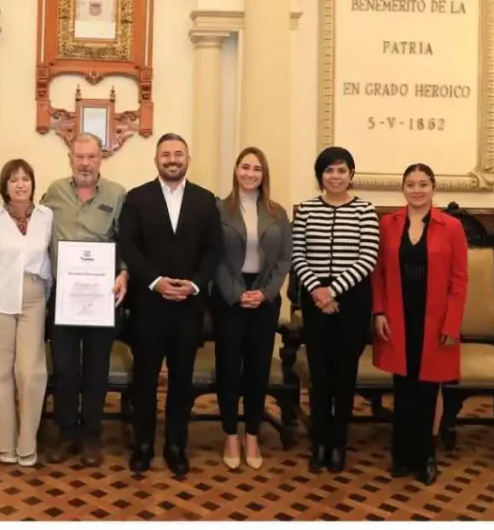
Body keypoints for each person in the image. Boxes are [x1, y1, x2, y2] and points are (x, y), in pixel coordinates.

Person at [119, 133, 222, 476]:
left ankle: (177, 445)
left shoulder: (206, 201)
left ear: (187, 159)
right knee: (145, 381)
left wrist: (193, 284)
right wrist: (155, 282)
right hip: (149, 306)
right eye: (166, 155)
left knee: (182, 381)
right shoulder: (137, 198)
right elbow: (128, 246)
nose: (172, 160)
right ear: (156, 160)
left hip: (188, 307)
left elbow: (213, 250)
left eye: (179, 154)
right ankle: (144, 445)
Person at [372, 163, 468, 486]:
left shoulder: (451, 226)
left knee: (428, 389)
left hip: (435, 320)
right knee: (403, 388)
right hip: (398, 318)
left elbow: (460, 281)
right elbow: (378, 275)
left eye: (423, 184)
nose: (416, 189)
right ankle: (401, 456)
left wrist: (452, 325)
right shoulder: (388, 223)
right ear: (403, 189)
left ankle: (426, 455)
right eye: (410, 184)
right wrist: (379, 312)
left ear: (433, 188)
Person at [40, 133, 129, 466]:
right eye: (79, 157)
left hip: (101, 301)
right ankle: (65, 434)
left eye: (91, 156)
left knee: (95, 370)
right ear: (70, 159)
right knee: (64, 371)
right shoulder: (54, 193)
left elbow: (127, 241)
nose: (85, 163)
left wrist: (124, 273)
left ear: (100, 158)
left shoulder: (117, 194)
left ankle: (91, 436)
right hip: (62, 300)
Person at [291, 146, 379, 474]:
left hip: (351, 300)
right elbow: (297, 254)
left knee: (344, 376)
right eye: (329, 171)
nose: (336, 176)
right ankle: (319, 444)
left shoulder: (365, 210)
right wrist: (316, 289)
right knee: (320, 376)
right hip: (315, 301)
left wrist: (333, 290)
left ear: (351, 175)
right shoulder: (308, 210)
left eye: (342, 170)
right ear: (320, 176)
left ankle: (338, 443)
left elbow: (367, 258)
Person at [212, 147, 292, 471]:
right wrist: (236, 293)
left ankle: (252, 435)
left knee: (258, 369)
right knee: (230, 367)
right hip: (229, 296)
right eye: (244, 167)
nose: (250, 173)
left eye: (256, 169)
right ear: (236, 171)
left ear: (264, 174)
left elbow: (285, 257)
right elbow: (213, 256)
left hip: (264, 298)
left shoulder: (277, 212)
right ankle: (230, 433)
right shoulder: (219, 209)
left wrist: (265, 292)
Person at [0, 159, 52, 467]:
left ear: (32, 184)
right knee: (1, 373)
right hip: (0, 297)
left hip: (34, 297)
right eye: (14, 180)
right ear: (5, 186)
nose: (21, 184)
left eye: (26, 178)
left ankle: (28, 442)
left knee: (30, 372)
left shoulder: (46, 216)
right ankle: (5, 442)